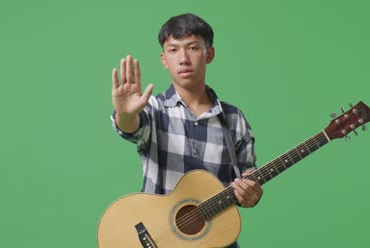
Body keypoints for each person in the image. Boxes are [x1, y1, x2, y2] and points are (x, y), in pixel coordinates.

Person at [110, 13, 263, 248]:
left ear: (209, 54)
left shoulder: (233, 118)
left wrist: (251, 194)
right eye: (173, 50)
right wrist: (126, 114)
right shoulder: (154, 109)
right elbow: (132, 128)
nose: (183, 58)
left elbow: (248, 180)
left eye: (192, 48)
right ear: (163, 59)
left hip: (216, 242)